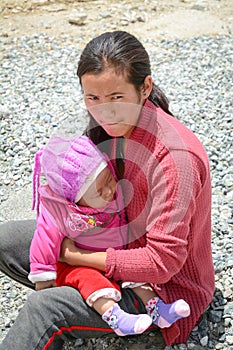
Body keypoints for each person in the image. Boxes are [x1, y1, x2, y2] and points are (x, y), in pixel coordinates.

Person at [0, 30, 215, 349]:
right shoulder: (107, 127)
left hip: (161, 295)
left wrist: (77, 255)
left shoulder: (174, 159)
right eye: (93, 98)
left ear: (145, 87)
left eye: (117, 97)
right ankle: (86, 296)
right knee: (7, 241)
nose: (104, 111)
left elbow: (162, 263)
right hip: (112, 240)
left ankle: (105, 318)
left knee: (43, 309)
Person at [29, 134, 190, 337]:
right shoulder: (60, 211)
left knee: (137, 275)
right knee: (90, 281)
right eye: (98, 191)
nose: (109, 191)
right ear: (75, 199)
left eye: (108, 180)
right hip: (79, 265)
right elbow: (44, 241)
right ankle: (116, 317)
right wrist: (43, 276)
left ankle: (158, 310)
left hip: (112, 255)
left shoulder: (113, 191)